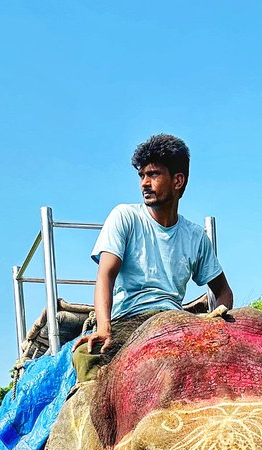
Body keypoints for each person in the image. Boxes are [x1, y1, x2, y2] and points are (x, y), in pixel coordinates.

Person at [73, 133, 234, 374]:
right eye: (141, 175)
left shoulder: (195, 237)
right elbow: (105, 275)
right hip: (128, 322)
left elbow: (223, 292)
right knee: (86, 358)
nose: (144, 184)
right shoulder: (125, 216)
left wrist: (217, 319)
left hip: (175, 323)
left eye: (153, 174)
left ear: (177, 181)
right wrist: (104, 327)